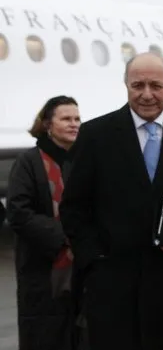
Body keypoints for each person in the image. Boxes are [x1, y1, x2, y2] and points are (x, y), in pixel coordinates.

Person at [59, 52, 163, 350]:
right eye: (137, 85)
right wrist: (95, 260)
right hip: (111, 287)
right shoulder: (96, 135)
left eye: (155, 85)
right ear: (126, 85)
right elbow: (73, 208)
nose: (146, 94)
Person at [6, 95, 85, 350]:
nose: (74, 124)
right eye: (66, 119)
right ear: (48, 124)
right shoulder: (28, 162)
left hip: (82, 271)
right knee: (44, 337)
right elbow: (18, 212)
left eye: (77, 119)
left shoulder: (83, 161)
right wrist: (65, 235)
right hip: (43, 270)